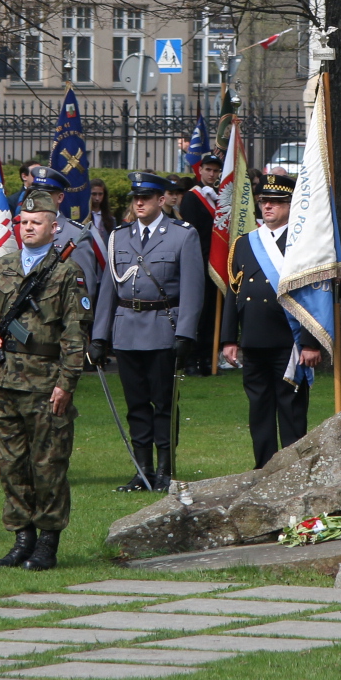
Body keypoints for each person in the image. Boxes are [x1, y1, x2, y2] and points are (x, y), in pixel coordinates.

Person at [0, 190, 91, 571]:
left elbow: (74, 334)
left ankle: (47, 542)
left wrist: (66, 384)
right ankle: (22, 538)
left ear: (54, 227)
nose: (28, 227)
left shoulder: (67, 272)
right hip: (5, 381)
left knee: (48, 466)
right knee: (13, 465)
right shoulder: (3, 267)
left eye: (36, 222)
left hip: (46, 381)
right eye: (23, 222)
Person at [94, 170, 204, 491]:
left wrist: (185, 334)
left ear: (161, 200)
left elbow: (193, 290)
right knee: (137, 404)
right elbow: (108, 290)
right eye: (135, 198)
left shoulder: (182, 235)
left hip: (163, 329)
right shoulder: (119, 235)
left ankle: (165, 471)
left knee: (164, 404)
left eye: (146, 197)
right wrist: (99, 336)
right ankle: (142, 472)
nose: (139, 202)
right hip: (127, 330)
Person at [219, 173, 321, 468]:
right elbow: (233, 291)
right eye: (265, 201)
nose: (269, 207)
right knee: (259, 408)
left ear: (291, 205)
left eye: (277, 202)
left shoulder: (304, 243)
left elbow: (314, 296)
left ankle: (291, 469)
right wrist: (229, 338)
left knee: (290, 408)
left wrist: (310, 342)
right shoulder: (245, 243)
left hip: (290, 342)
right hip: (253, 339)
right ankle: (262, 468)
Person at [176, 155, 219, 377]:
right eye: (208, 170)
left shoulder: (219, 197)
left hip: (215, 264)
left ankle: (208, 359)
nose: (212, 174)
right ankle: (191, 360)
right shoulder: (193, 198)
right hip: (198, 262)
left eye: (215, 171)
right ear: (200, 170)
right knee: (197, 313)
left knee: (211, 314)